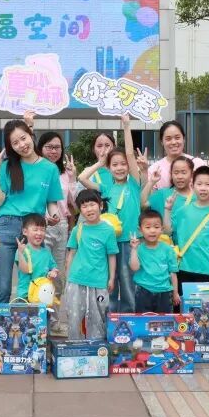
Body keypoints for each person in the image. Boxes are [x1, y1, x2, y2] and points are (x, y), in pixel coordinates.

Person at [0, 120, 64, 304]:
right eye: (15, 143)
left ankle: (33, 322)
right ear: (11, 147)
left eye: (23, 138)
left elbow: (51, 202)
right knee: (3, 286)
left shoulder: (50, 168)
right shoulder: (6, 166)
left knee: (35, 282)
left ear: (31, 135)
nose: (22, 145)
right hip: (6, 226)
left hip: (33, 229)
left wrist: (55, 215)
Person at [79, 114, 143, 312]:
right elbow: (82, 178)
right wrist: (100, 163)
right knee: (111, 281)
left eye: (123, 164)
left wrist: (126, 126)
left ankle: (131, 317)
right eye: (114, 165)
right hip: (110, 242)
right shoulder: (106, 188)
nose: (120, 168)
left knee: (130, 282)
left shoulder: (134, 184)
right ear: (109, 167)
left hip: (131, 241)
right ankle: (111, 319)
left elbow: (130, 154)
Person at [64, 189, 118, 339]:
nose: (89, 209)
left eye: (92, 205)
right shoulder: (78, 229)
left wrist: (111, 278)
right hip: (77, 279)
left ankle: (96, 347)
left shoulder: (108, 230)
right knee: (74, 316)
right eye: (84, 206)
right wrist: (68, 277)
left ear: (100, 206)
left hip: (99, 281)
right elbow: (71, 253)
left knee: (97, 317)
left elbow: (111, 256)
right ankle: (74, 346)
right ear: (80, 210)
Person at [37, 131, 76, 336]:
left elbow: (74, 203)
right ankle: (37, 320)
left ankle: (54, 320)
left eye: (57, 147)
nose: (54, 151)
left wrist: (73, 177)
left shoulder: (64, 173)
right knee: (40, 273)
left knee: (58, 276)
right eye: (49, 147)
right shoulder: (35, 169)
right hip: (40, 226)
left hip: (60, 225)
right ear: (40, 148)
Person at [165, 166, 209, 286]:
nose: (203, 188)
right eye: (199, 184)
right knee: (182, 298)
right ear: (192, 186)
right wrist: (167, 210)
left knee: (206, 299)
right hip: (182, 267)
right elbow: (168, 231)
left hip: (207, 269)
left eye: (207, 184)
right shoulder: (183, 211)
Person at [130, 209, 179, 312]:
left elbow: (173, 273)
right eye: (148, 227)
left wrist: (175, 293)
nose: (152, 231)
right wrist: (134, 249)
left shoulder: (168, 249)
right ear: (140, 230)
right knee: (143, 320)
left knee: (164, 321)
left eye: (156, 227)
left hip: (164, 292)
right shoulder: (138, 249)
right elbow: (134, 268)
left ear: (162, 229)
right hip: (143, 291)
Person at [145, 121, 209, 189]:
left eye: (177, 138)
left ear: (184, 139)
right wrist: (143, 172)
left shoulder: (198, 164)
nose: (173, 142)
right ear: (162, 142)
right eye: (168, 139)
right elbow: (147, 195)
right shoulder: (155, 169)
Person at [140, 156, 196, 232]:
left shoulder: (198, 198)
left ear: (192, 174)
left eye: (184, 173)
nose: (179, 177)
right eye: (176, 173)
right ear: (171, 174)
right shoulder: (163, 194)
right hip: (165, 239)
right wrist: (151, 182)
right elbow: (143, 205)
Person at [14, 213, 58, 303]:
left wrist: (53, 272)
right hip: (25, 296)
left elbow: (54, 267)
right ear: (25, 232)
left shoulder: (46, 252)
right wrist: (21, 253)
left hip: (42, 295)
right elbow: (25, 270)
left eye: (42, 230)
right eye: (35, 230)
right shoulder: (23, 250)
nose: (39, 233)